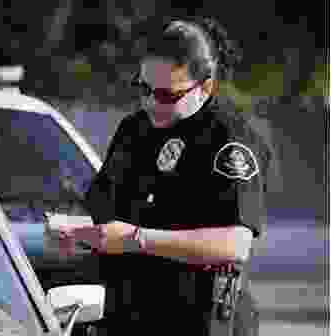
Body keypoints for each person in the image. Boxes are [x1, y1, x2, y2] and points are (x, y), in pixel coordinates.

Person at [56, 17, 269, 335]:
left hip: (198, 319)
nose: (153, 102)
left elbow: (233, 244)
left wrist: (136, 239)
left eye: (168, 95)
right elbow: (107, 211)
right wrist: (80, 235)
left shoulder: (229, 138)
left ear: (206, 86)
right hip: (127, 314)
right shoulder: (134, 129)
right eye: (144, 89)